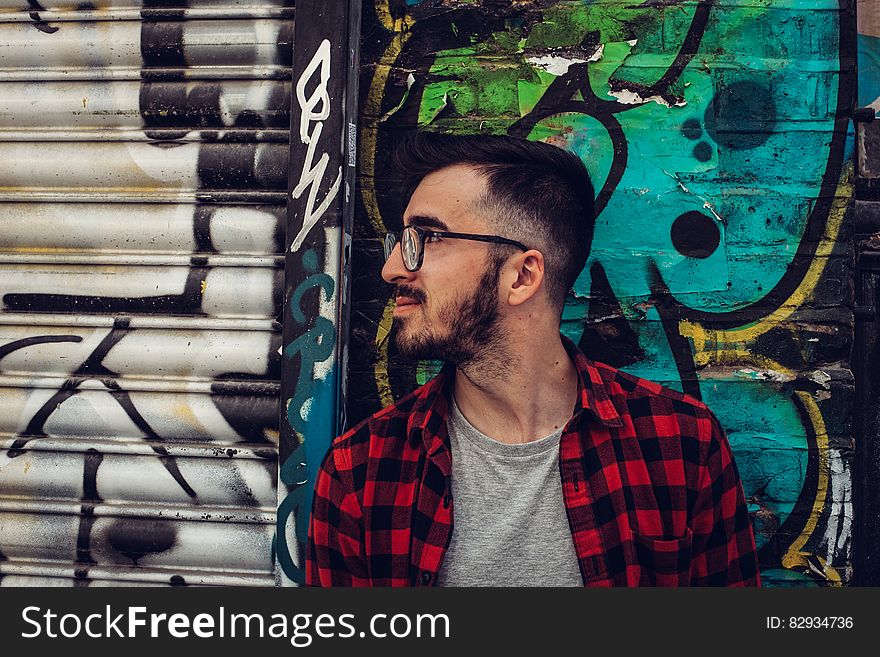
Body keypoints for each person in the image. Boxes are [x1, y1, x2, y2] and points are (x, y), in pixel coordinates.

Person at [306, 132, 761, 587]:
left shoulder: (680, 445)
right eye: (401, 240)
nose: (391, 268)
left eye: (426, 237)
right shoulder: (362, 472)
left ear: (522, 276)